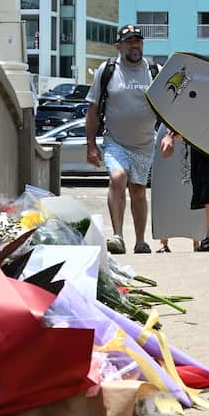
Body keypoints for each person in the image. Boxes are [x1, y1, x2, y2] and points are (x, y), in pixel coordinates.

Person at [86, 24, 160, 254]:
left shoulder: (154, 70)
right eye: (129, 42)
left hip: (144, 144)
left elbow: (170, 106)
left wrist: (171, 135)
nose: (135, 46)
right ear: (119, 47)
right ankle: (117, 236)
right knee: (117, 178)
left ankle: (140, 241)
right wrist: (91, 145)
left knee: (138, 190)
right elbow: (93, 109)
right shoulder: (107, 70)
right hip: (115, 141)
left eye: (138, 41)